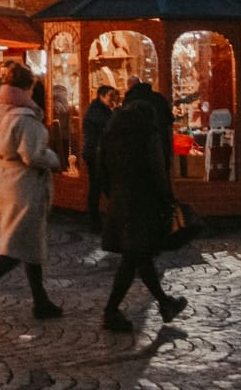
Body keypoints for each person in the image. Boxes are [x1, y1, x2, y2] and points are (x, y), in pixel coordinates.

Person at [0, 62, 63, 324]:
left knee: (30, 240)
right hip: (24, 183)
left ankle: (40, 300)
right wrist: (53, 157)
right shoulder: (23, 117)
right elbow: (33, 155)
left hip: (5, 179)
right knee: (18, 244)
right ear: (27, 88)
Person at [95, 85, 187, 333]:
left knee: (139, 256)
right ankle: (111, 311)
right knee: (134, 257)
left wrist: (111, 195)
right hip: (142, 204)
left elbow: (100, 169)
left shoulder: (111, 133)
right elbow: (158, 172)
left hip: (119, 203)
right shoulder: (148, 133)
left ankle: (164, 303)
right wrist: (167, 199)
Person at [82, 85, 117, 231]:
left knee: (100, 186)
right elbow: (107, 128)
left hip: (98, 154)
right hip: (96, 154)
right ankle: (96, 221)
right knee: (99, 186)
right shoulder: (97, 112)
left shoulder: (99, 109)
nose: (112, 100)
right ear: (101, 96)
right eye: (110, 96)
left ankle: (99, 220)